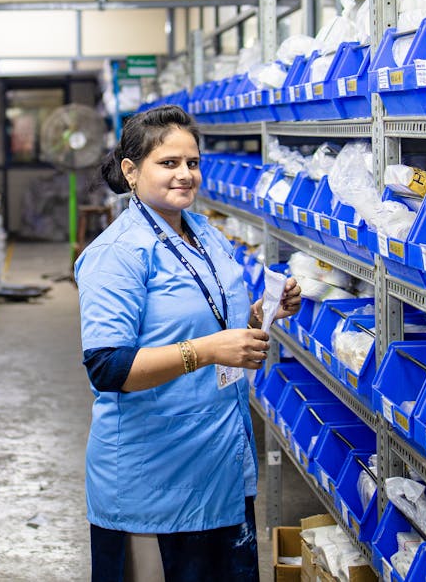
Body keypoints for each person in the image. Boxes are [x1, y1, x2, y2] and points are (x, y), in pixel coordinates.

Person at [75, 105, 303, 582]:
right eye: (169, 163)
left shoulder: (203, 234)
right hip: (155, 477)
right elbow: (109, 368)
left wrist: (261, 313)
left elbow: (208, 317)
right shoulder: (117, 254)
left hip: (218, 462)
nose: (185, 175)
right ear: (131, 172)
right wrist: (208, 350)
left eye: (192, 163)